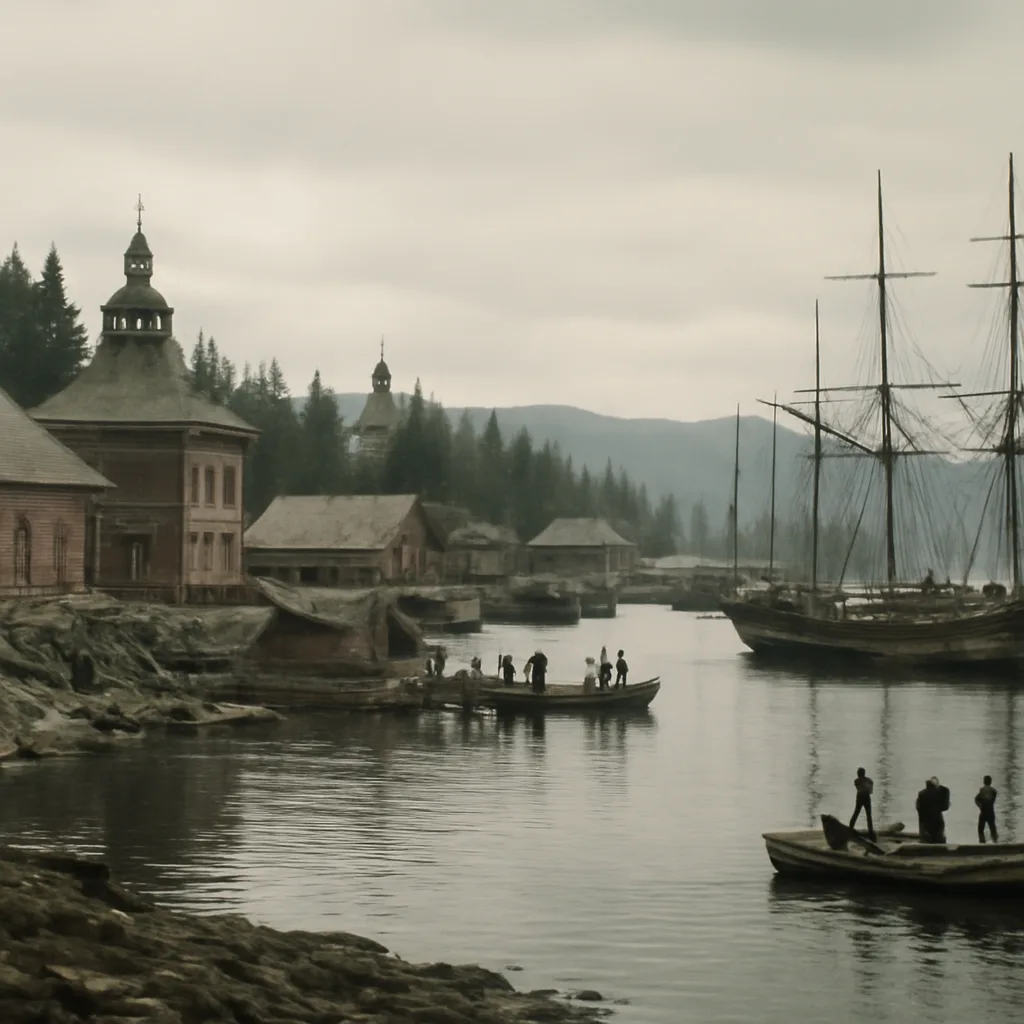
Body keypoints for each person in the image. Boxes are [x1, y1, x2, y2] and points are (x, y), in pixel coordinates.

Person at [916, 776, 950, 844]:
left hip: (933, 819)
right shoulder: (923, 795)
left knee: (937, 837)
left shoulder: (942, 791)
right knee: (930, 838)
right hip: (928, 820)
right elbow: (920, 810)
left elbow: (945, 807)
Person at [849, 767, 875, 841]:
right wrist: (868, 788)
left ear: (859, 774)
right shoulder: (869, 780)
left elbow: (859, 788)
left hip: (860, 797)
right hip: (866, 797)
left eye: (858, 773)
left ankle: (850, 828)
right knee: (868, 816)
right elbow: (870, 791)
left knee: (856, 813)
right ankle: (871, 832)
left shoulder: (856, 781)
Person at [975, 775, 999, 843]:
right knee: (992, 828)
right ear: (991, 782)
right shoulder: (994, 791)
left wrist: (980, 806)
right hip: (990, 811)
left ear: (984, 781)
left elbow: (976, 799)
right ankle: (995, 842)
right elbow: (993, 800)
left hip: (983, 811)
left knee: (980, 829)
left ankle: (982, 842)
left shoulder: (982, 790)